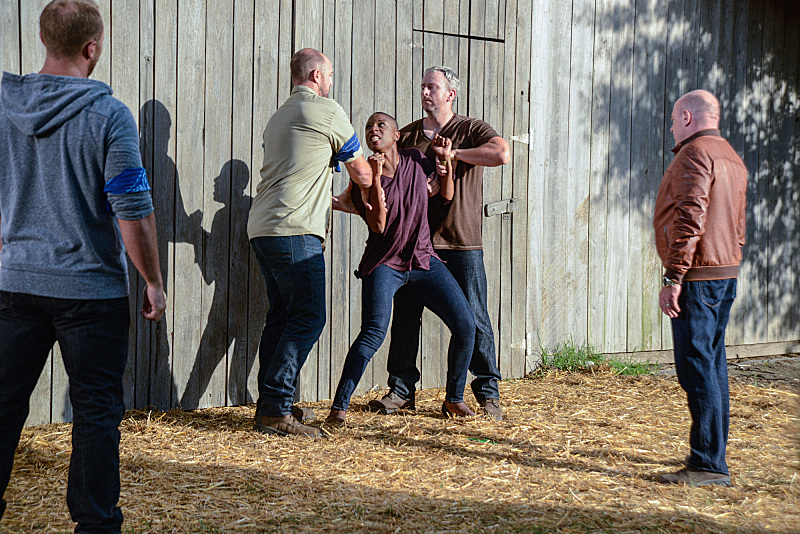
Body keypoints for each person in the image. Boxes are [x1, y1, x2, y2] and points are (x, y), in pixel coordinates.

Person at [0, 1, 166, 531]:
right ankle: (95, 524)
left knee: (2, 407)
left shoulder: (4, 105)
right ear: (92, 48)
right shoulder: (108, 115)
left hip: (14, 283)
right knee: (96, 414)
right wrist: (153, 281)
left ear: (44, 39)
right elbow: (132, 211)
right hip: (90, 293)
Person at [370, 66, 511, 421]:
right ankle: (402, 392)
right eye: (423, 87)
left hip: (461, 241)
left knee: (474, 317)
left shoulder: (470, 129)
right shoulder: (408, 134)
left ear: (451, 93)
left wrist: (455, 155)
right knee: (404, 318)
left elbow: (500, 153)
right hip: (413, 243)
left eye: (433, 87)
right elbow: (386, 171)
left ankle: (487, 393)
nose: (425, 92)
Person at [247, 48, 373, 437]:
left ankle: (270, 404)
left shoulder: (278, 116)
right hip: (295, 230)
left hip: (263, 228)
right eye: (330, 75)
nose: (331, 82)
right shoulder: (326, 110)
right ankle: (275, 409)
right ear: (316, 75)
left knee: (281, 317)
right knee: (309, 317)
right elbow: (363, 175)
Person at [325, 112, 476, 425]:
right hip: (385, 264)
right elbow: (379, 225)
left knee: (466, 325)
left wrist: (446, 165)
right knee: (372, 334)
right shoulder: (363, 176)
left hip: (423, 259)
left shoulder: (416, 161)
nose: (373, 129)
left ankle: (454, 399)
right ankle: (339, 408)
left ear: (396, 136)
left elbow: (444, 196)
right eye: (368, 127)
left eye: (381, 125)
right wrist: (378, 178)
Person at [654, 90, 747, 487]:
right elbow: (738, 223)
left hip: (699, 276)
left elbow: (691, 215)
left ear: (688, 117)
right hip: (723, 272)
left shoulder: (694, 154)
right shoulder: (729, 155)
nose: (672, 127)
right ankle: (711, 456)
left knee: (696, 368)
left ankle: (708, 464)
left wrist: (674, 276)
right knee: (712, 365)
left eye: (674, 119)